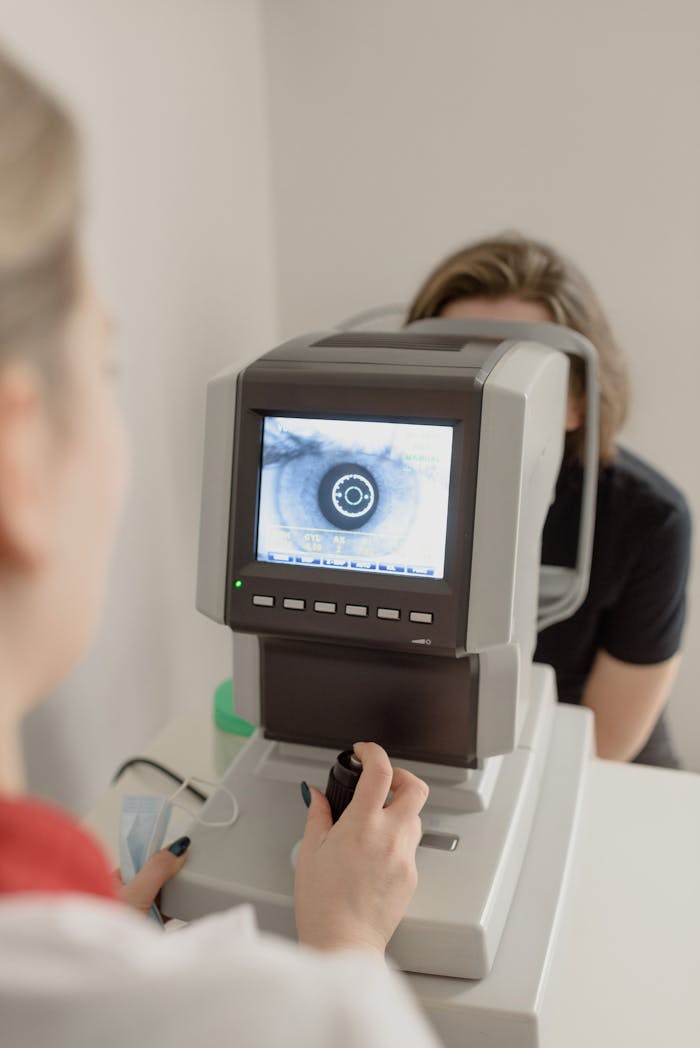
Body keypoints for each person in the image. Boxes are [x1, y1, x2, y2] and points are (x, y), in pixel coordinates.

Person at [0, 48, 440, 1048]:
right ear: (17, 451)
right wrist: (344, 960)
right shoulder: (277, 1020)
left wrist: (94, 944)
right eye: (101, 364)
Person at [407, 234, 691, 768]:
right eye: (458, 364)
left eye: (518, 376)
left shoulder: (650, 520)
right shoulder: (393, 489)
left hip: (594, 767)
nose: (484, 399)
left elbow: (605, 743)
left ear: (579, 400)